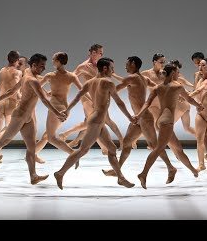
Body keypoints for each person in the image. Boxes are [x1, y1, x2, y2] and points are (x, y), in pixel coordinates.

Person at [0, 53, 67, 184]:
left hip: (28, 118)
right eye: (42, 66)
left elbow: (11, 91)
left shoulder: (27, 74)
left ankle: (33, 176)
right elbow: (43, 99)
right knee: (2, 141)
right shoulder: (31, 80)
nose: (44, 68)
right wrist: (57, 113)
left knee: (31, 148)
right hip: (19, 116)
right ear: (34, 65)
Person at [53, 57, 136, 190]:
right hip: (96, 121)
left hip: (97, 119)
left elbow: (77, 97)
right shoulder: (108, 83)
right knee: (83, 150)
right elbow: (119, 102)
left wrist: (67, 110)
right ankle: (60, 173)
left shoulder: (90, 82)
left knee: (112, 149)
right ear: (105, 68)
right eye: (112, 68)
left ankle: (121, 178)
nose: (113, 71)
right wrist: (130, 118)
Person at [102, 56, 178, 184]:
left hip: (144, 118)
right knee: (126, 142)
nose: (125, 66)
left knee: (154, 146)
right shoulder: (144, 78)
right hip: (138, 118)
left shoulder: (132, 78)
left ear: (133, 63)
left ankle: (171, 168)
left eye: (127, 64)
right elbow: (158, 87)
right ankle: (117, 170)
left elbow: (115, 89)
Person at [135, 63, 204, 189]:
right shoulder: (177, 86)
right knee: (158, 149)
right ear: (172, 73)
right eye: (177, 72)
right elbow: (189, 99)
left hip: (160, 121)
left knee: (178, 149)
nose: (178, 74)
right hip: (167, 121)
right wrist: (198, 106)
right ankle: (143, 173)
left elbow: (146, 104)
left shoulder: (158, 87)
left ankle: (192, 170)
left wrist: (138, 115)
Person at [59, 44, 123, 153]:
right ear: (93, 53)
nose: (102, 54)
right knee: (95, 122)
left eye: (102, 53)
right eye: (100, 52)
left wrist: (125, 82)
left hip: (99, 97)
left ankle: (72, 138)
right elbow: (71, 78)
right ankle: (103, 146)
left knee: (93, 122)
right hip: (87, 97)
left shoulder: (102, 65)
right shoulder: (83, 66)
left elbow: (112, 75)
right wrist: (58, 89)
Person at [34, 52, 84, 163]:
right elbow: (83, 91)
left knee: (51, 137)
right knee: (47, 135)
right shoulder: (71, 76)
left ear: (58, 61)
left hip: (55, 109)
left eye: (53, 59)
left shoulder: (50, 75)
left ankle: (73, 153)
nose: (52, 61)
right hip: (65, 108)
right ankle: (33, 155)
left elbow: (35, 87)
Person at [0, 50, 22, 169]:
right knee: (9, 130)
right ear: (17, 60)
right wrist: (20, 96)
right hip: (11, 102)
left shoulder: (2, 70)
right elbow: (16, 87)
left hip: (0, 101)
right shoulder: (18, 72)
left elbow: (2, 84)